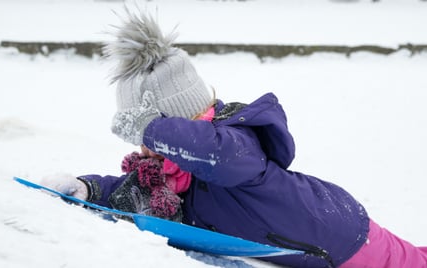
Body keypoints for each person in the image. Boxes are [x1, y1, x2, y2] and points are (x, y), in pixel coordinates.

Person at [41, 8, 427, 268]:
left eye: (148, 134)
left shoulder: (237, 144)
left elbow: (217, 155)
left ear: (183, 121)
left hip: (344, 233)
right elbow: (132, 194)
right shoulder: (175, 178)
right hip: (318, 250)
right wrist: (87, 189)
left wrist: (150, 129)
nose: (143, 148)